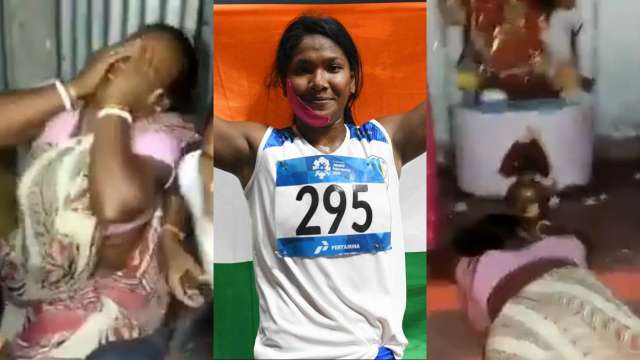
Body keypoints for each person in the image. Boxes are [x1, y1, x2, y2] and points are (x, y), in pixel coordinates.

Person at [214, 15, 425, 359]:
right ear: (285, 84)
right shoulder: (260, 152)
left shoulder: (386, 143)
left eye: (333, 67)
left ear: (352, 80)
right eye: (303, 69)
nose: (319, 81)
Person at [0, 23, 205, 359]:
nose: (126, 60)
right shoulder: (64, 109)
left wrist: (115, 107)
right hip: (33, 276)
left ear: (158, 101)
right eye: (127, 48)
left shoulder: (156, 137)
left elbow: (114, 205)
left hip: (98, 301)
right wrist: (73, 87)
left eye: (147, 63)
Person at [453, 206, 640, 358]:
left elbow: (479, 322)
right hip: (577, 293)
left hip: (521, 318)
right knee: (618, 338)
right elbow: (581, 242)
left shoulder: (473, 265)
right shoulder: (563, 245)